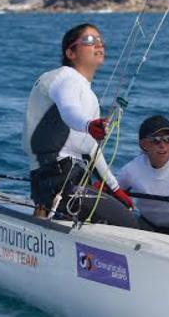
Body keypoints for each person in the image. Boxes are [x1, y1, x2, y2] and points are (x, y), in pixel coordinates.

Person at [23, 23, 136, 227]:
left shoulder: (86, 92)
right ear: (71, 52)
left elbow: (89, 147)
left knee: (122, 212)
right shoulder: (65, 79)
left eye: (101, 41)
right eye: (90, 40)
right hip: (58, 182)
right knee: (130, 224)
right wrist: (89, 124)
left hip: (66, 181)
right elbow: (69, 111)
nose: (99, 45)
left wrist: (114, 187)